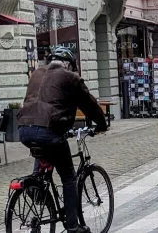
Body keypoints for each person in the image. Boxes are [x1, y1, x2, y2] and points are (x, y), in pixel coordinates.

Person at [17, 46, 107, 233]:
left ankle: (37, 188)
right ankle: (73, 227)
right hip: (49, 131)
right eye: (72, 67)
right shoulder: (70, 78)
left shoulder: (36, 74)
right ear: (67, 64)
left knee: (44, 154)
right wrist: (101, 124)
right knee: (68, 177)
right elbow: (89, 103)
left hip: (24, 129)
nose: (72, 70)